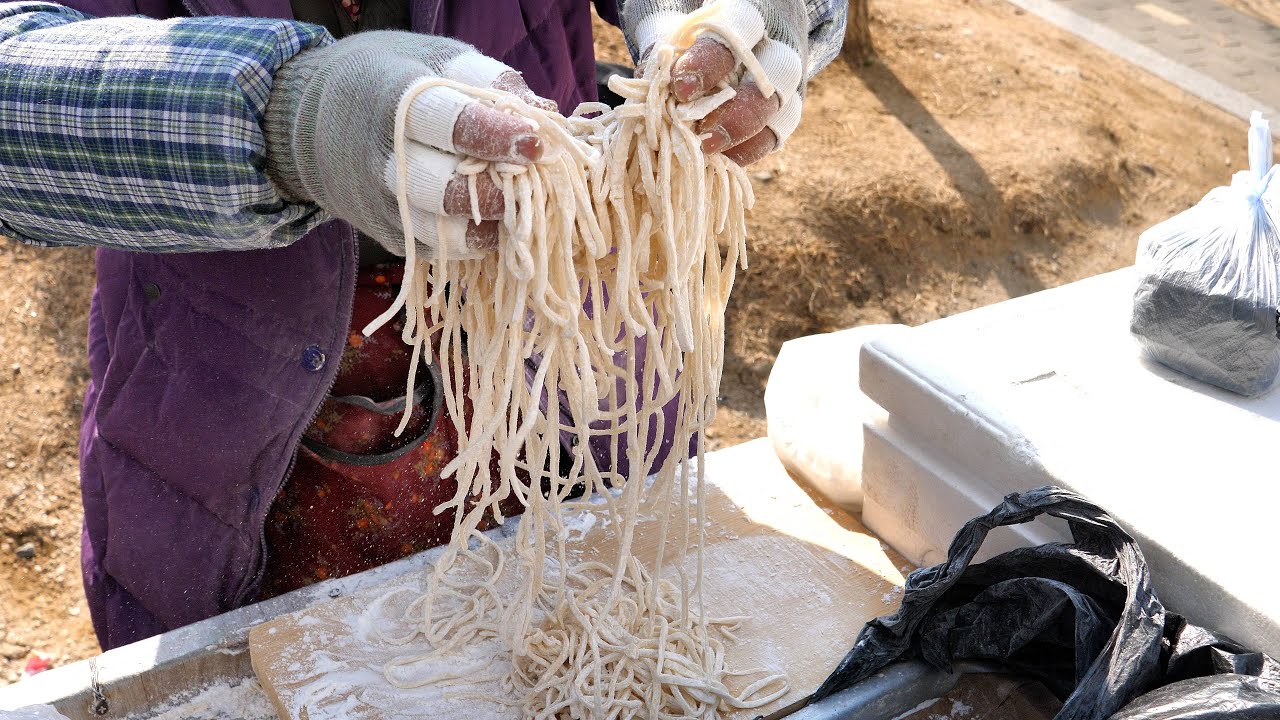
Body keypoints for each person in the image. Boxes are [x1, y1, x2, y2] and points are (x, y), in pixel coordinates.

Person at [0, 0, 847, 651]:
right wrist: (284, 119)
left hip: (574, 342)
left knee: (604, 623)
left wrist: (736, 21)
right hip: (241, 396)